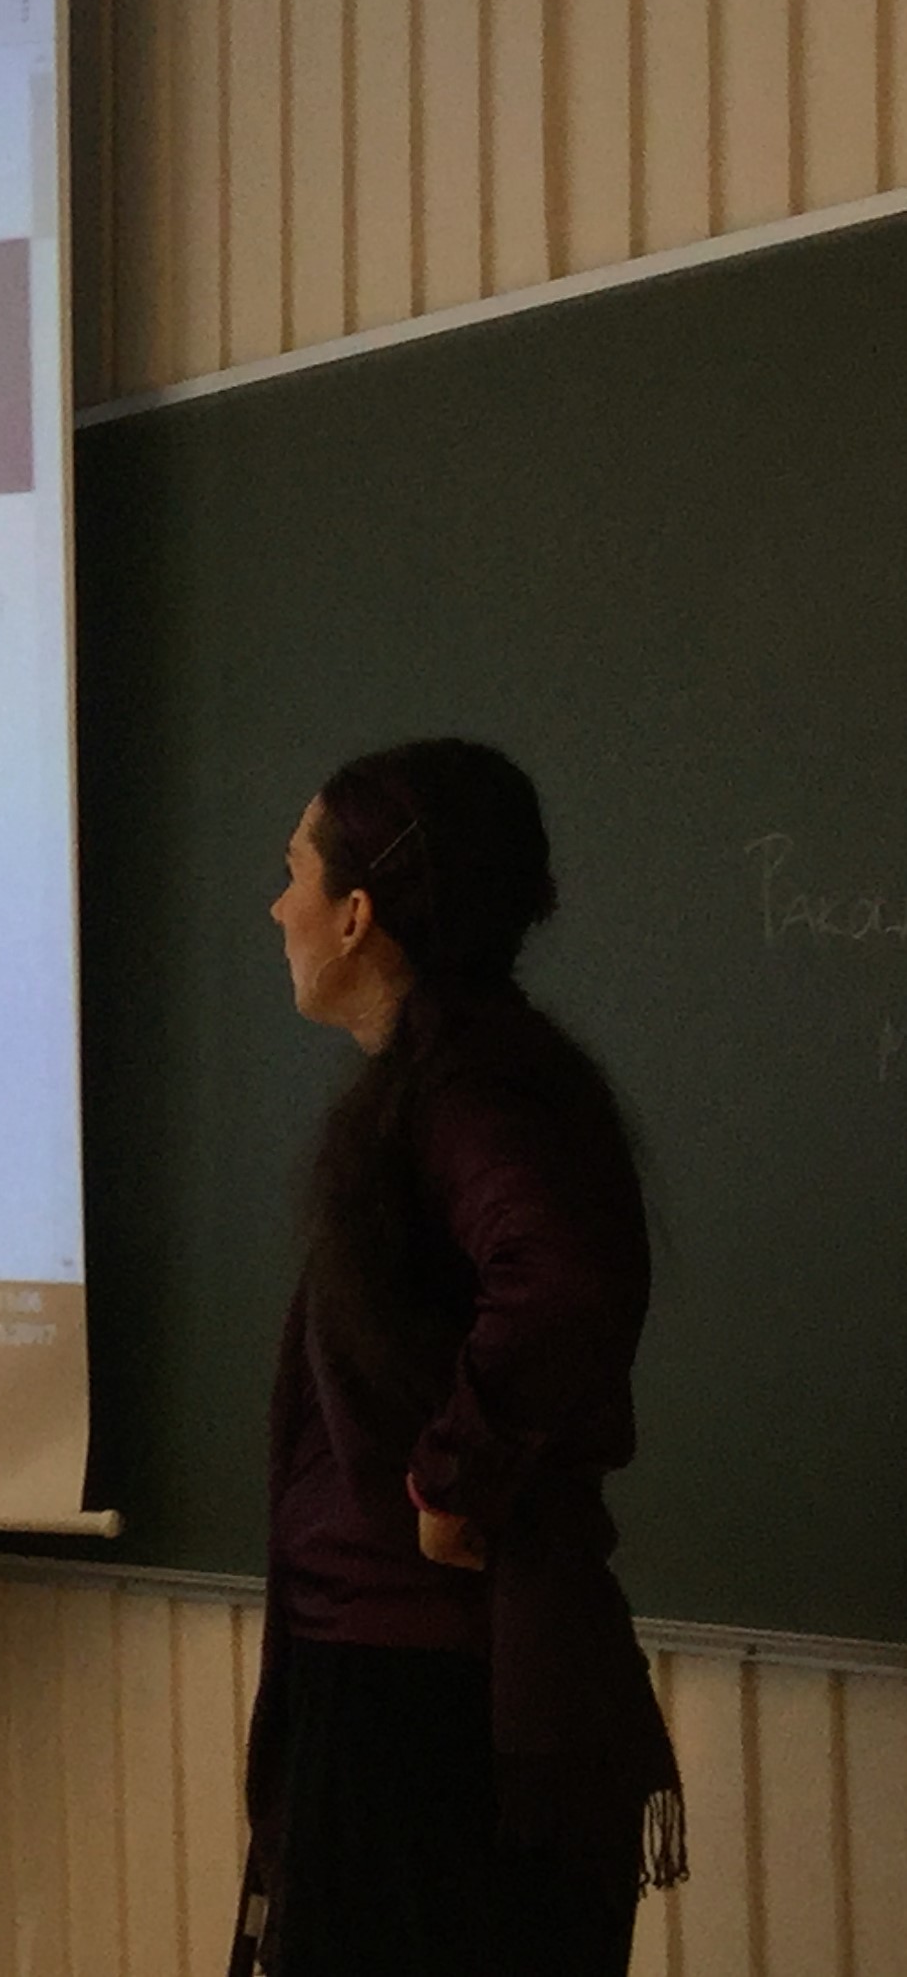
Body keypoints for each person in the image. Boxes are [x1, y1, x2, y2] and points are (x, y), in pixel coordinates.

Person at [232, 740, 684, 1977]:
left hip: (421, 1698)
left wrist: (453, 1476)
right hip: (400, 1674)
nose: (275, 908)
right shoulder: (457, 1079)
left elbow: (558, 1279)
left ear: (355, 915)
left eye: (293, 873)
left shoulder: (472, 1091)